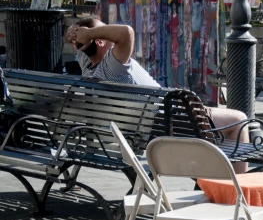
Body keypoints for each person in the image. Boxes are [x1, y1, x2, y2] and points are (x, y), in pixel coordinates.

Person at [66, 17, 250, 172]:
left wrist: (75, 34)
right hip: (171, 121)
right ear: (98, 41)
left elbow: (82, 44)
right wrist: (89, 33)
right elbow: (125, 32)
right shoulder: (111, 67)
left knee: (212, 116)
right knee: (239, 120)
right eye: (103, 30)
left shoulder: (88, 66)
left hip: (146, 127)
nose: (107, 31)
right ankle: (238, 194)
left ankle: (216, 183)